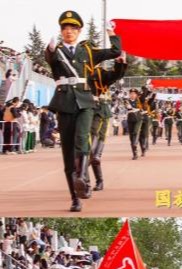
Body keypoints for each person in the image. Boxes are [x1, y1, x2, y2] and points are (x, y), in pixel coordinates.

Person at [44, 10, 121, 212]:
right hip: (64, 103)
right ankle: (75, 197)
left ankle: (81, 176)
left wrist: (111, 32)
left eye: (73, 28)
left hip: (85, 101)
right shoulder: (56, 50)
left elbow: (115, 51)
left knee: (82, 138)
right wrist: (50, 48)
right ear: (61, 31)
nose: (69, 31)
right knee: (68, 153)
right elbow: (49, 59)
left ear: (79, 31)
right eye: (65, 28)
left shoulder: (88, 50)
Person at [88, 54, 128, 190]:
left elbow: (115, 75)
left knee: (94, 153)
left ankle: (96, 180)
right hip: (82, 111)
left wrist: (119, 63)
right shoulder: (78, 71)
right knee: (86, 152)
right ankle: (87, 179)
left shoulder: (99, 73)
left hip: (99, 111)